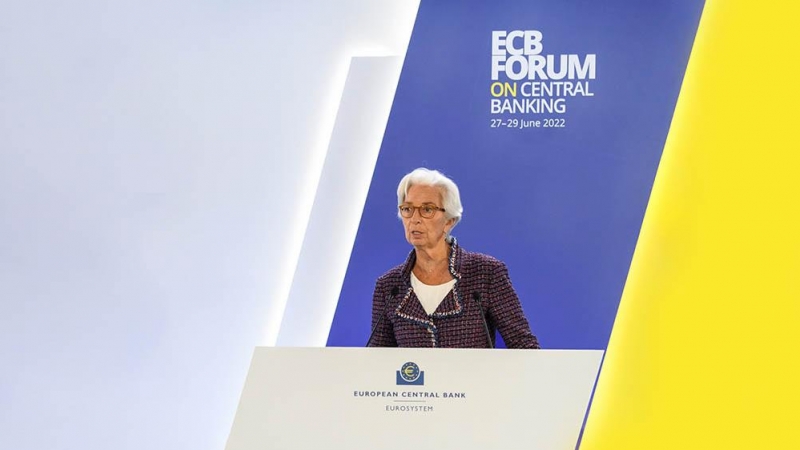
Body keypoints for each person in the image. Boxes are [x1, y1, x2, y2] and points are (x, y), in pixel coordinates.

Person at [368, 168, 540, 348]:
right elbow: (378, 362)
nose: (414, 219)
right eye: (408, 209)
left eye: (427, 209)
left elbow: (523, 345)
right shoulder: (388, 286)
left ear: (449, 221)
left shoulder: (486, 273)